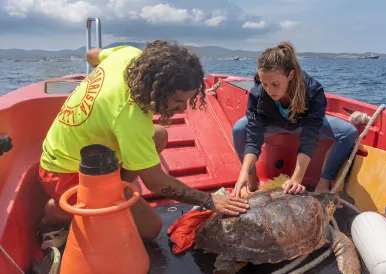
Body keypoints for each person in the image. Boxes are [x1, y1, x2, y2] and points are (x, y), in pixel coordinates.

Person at [38, 40, 249, 252]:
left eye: (188, 99)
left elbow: (92, 55)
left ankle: (113, 194)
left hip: (81, 151)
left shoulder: (129, 56)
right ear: (156, 89)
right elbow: (156, 183)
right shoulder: (131, 118)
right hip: (65, 172)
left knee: (158, 135)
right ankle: (59, 211)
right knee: (150, 228)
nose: (183, 107)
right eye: (177, 100)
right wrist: (209, 200)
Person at [232, 41, 358, 198]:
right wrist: (243, 173)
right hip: (273, 123)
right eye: (265, 84)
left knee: (348, 132)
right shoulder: (257, 94)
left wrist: (296, 179)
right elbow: (253, 137)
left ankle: (323, 184)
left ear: (290, 75)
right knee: (239, 129)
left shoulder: (312, 90)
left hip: (303, 124)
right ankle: (251, 180)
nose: (270, 90)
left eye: (275, 84)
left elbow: (310, 136)